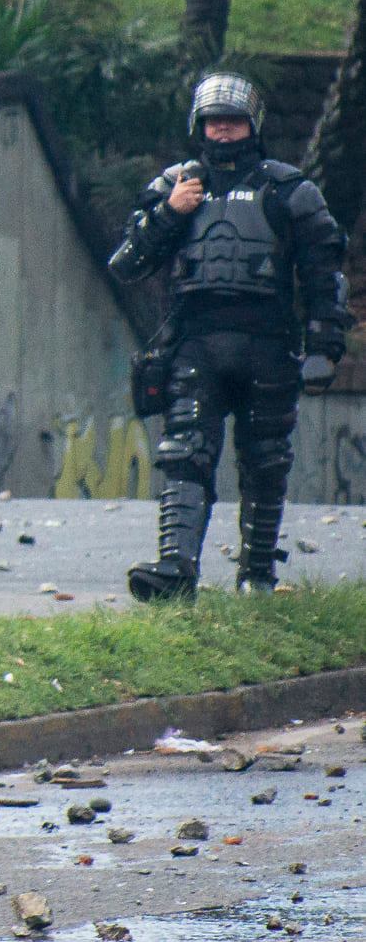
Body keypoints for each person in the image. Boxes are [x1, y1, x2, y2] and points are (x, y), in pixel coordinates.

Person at [110, 74, 350, 599]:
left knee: (265, 461)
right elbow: (126, 264)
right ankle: (175, 570)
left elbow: (323, 273)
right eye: (214, 121)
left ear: (253, 126)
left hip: (269, 347)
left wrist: (325, 347)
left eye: (233, 120)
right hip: (195, 344)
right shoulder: (173, 188)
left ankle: (257, 575)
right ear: (198, 126)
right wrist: (171, 214)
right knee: (184, 453)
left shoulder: (290, 190)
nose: (223, 131)